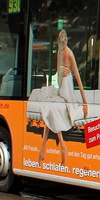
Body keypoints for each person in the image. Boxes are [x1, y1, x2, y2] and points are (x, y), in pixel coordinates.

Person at [38, 29, 88, 165]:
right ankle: (54, 146)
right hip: (59, 87)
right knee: (49, 107)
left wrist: (85, 103)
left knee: (52, 108)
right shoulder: (59, 53)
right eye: (60, 41)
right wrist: (55, 84)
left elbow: (78, 78)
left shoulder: (69, 53)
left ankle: (49, 147)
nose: (62, 43)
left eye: (63, 41)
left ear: (66, 40)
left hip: (67, 90)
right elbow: (56, 73)